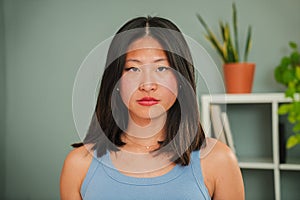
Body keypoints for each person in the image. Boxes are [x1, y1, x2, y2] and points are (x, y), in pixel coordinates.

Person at [60, 16, 244, 200]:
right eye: (133, 69)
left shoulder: (219, 160)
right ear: (115, 81)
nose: (147, 85)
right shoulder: (78, 164)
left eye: (161, 68)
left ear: (181, 81)